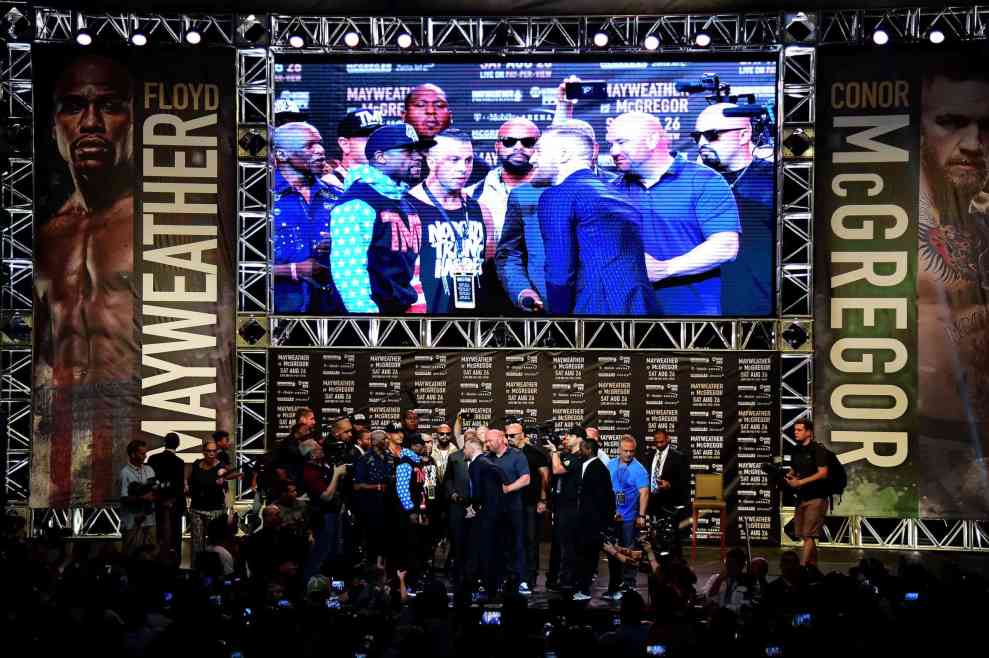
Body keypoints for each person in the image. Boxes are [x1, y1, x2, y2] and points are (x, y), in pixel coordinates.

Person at [33, 55, 138, 508]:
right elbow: (39, 351)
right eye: (74, 106)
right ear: (55, 124)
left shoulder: (161, 225)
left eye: (109, 106)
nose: (90, 123)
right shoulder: (47, 237)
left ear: (133, 120)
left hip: (137, 416)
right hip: (63, 424)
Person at [917, 60, 989, 517]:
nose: (972, 144)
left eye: (986, 127)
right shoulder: (893, 212)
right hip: (925, 436)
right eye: (951, 122)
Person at [608, 111, 741, 315]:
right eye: (611, 144)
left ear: (651, 140)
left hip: (692, 319)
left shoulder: (703, 180)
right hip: (627, 319)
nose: (614, 151)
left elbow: (725, 246)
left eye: (621, 142)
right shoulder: (611, 191)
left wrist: (664, 269)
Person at [531, 125, 659, 316]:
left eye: (539, 151)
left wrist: (559, 323)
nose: (532, 159)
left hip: (594, 314)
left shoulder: (558, 194)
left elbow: (560, 275)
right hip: (642, 308)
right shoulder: (619, 194)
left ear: (563, 154)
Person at [495, 119, 600, 314]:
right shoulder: (524, 194)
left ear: (592, 148)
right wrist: (521, 290)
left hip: (599, 309)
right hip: (544, 309)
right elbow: (509, 252)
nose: (533, 158)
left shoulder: (613, 190)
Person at [329, 123, 430, 314]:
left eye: (418, 151)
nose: (418, 157)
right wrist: (371, 328)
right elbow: (349, 275)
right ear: (380, 157)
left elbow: (412, 271)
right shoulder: (356, 203)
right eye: (408, 152)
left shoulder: (406, 204)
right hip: (369, 327)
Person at [693, 103, 774, 315]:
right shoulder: (690, 182)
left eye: (712, 135)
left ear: (744, 135)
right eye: (697, 136)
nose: (702, 142)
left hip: (759, 310)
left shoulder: (775, 180)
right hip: (700, 313)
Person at [408, 129, 492, 313]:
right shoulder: (407, 209)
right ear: (431, 162)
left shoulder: (481, 211)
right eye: (453, 160)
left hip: (474, 327)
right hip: (424, 327)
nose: (463, 168)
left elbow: (488, 269)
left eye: (468, 160)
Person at [271, 121, 344, 314]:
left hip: (332, 315)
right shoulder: (258, 201)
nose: (320, 150)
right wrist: (294, 270)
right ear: (281, 155)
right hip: (279, 316)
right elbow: (237, 270)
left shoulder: (338, 197)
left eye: (320, 143)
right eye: (309, 145)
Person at [467, 118, 540, 245]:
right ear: (496, 147)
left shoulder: (556, 190)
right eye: (509, 141)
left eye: (528, 142)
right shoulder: (472, 195)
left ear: (539, 148)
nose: (518, 147)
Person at [402, 83, 489, 187]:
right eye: (421, 105)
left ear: (450, 117)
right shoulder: (390, 162)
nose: (431, 111)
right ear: (404, 116)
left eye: (439, 105)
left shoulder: (477, 168)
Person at [485, 428, 531, 595]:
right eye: (486, 441)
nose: (487, 444)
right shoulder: (486, 458)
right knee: (494, 546)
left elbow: (526, 478)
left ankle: (521, 581)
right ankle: (495, 580)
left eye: (490, 441)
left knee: (517, 545)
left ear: (501, 439)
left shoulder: (517, 455)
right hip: (492, 510)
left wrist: (508, 488)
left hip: (513, 509)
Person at [506, 423, 550, 591]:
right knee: (512, 540)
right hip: (512, 504)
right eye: (507, 436)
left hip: (531, 504)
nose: (509, 439)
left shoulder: (535, 453)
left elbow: (545, 477)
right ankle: (513, 576)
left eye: (513, 435)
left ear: (522, 434)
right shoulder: (507, 453)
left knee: (530, 541)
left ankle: (530, 578)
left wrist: (543, 500)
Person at [606, 435, 649, 599]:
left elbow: (644, 493)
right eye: (625, 451)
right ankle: (615, 584)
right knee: (613, 551)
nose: (629, 454)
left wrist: (642, 515)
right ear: (619, 449)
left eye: (632, 451)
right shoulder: (610, 465)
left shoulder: (639, 469)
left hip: (628, 518)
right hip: (612, 516)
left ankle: (629, 584)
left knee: (629, 550)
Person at [299, 439, 348, 583]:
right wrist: (336, 474)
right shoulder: (309, 472)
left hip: (334, 513)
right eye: (318, 448)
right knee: (321, 551)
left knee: (332, 550)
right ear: (312, 455)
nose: (322, 449)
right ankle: (310, 584)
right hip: (322, 516)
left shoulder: (323, 466)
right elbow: (326, 496)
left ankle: (326, 583)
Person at [574, 438, 616, 600]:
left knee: (590, 556)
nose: (579, 451)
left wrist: (602, 522)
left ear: (589, 450)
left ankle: (585, 590)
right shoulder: (588, 466)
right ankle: (582, 587)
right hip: (587, 521)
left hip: (594, 522)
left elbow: (604, 497)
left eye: (581, 448)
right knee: (585, 555)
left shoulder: (597, 468)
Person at [545, 427, 585, 592]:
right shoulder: (566, 455)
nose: (566, 438)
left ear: (579, 438)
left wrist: (555, 451)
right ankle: (555, 578)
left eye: (570, 435)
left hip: (571, 507)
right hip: (560, 505)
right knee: (558, 544)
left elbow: (558, 469)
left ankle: (567, 580)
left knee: (568, 545)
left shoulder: (579, 457)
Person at [786, 419, 829, 566]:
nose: (795, 432)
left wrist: (800, 482)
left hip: (816, 497)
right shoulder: (796, 450)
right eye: (795, 430)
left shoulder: (818, 449)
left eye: (799, 430)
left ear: (809, 432)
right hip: (801, 497)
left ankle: (802, 567)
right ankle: (813, 567)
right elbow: (794, 469)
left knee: (808, 534)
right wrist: (787, 476)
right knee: (805, 536)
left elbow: (823, 473)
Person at [384, 421, 424, 581]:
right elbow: (401, 488)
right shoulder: (390, 455)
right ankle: (396, 578)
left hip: (408, 506)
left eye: (401, 432)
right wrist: (410, 509)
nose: (399, 435)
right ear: (388, 435)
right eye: (395, 432)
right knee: (397, 543)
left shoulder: (411, 456)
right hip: (393, 506)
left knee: (410, 542)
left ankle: (408, 576)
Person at [352, 429, 393, 567]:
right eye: (384, 439)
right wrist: (378, 487)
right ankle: (371, 566)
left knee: (387, 538)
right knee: (372, 537)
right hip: (371, 506)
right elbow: (357, 485)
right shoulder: (364, 459)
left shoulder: (389, 457)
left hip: (388, 505)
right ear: (375, 442)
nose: (388, 441)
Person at [188, 441, 234, 564]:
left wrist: (230, 510)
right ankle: (196, 570)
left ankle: (215, 571)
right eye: (209, 451)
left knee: (214, 543)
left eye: (214, 451)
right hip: (197, 509)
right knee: (196, 544)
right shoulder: (197, 464)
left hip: (215, 510)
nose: (212, 453)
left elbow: (226, 490)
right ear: (204, 452)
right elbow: (190, 483)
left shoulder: (221, 467)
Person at [322, 108, 384, 192]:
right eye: (369, 138)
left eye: (380, 137)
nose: (377, 143)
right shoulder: (329, 185)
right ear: (345, 144)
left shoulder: (388, 181)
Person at [147, 432, 185, 566]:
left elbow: (150, 482)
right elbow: (179, 486)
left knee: (158, 535)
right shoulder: (179, 462)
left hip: (156, 504)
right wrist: (171, 500)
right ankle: (175, 565)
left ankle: (157, 564)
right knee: (175, 537)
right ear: (178, 445)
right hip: (174, 505)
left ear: (164, 442)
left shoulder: (152, 459)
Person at [441, 436, 473, 590]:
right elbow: (447, 479)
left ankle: (472, 575)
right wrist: (452, 493)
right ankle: (456, 575)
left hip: (477, 506)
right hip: (458, 505)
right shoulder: (454, 457)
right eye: (467, 438)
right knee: (457, 541)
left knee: (473, 542)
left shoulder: (485, 457)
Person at [119, 439, 156, 558]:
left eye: (145, 453)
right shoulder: (125, 473)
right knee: (130, 555)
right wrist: (143, 498)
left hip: (149, 520)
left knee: (150, 554)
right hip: (132, 521)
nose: (145, 456)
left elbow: (155, 491)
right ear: (133, 454)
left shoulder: (149, 470)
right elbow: (123, 498)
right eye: (142, 453)